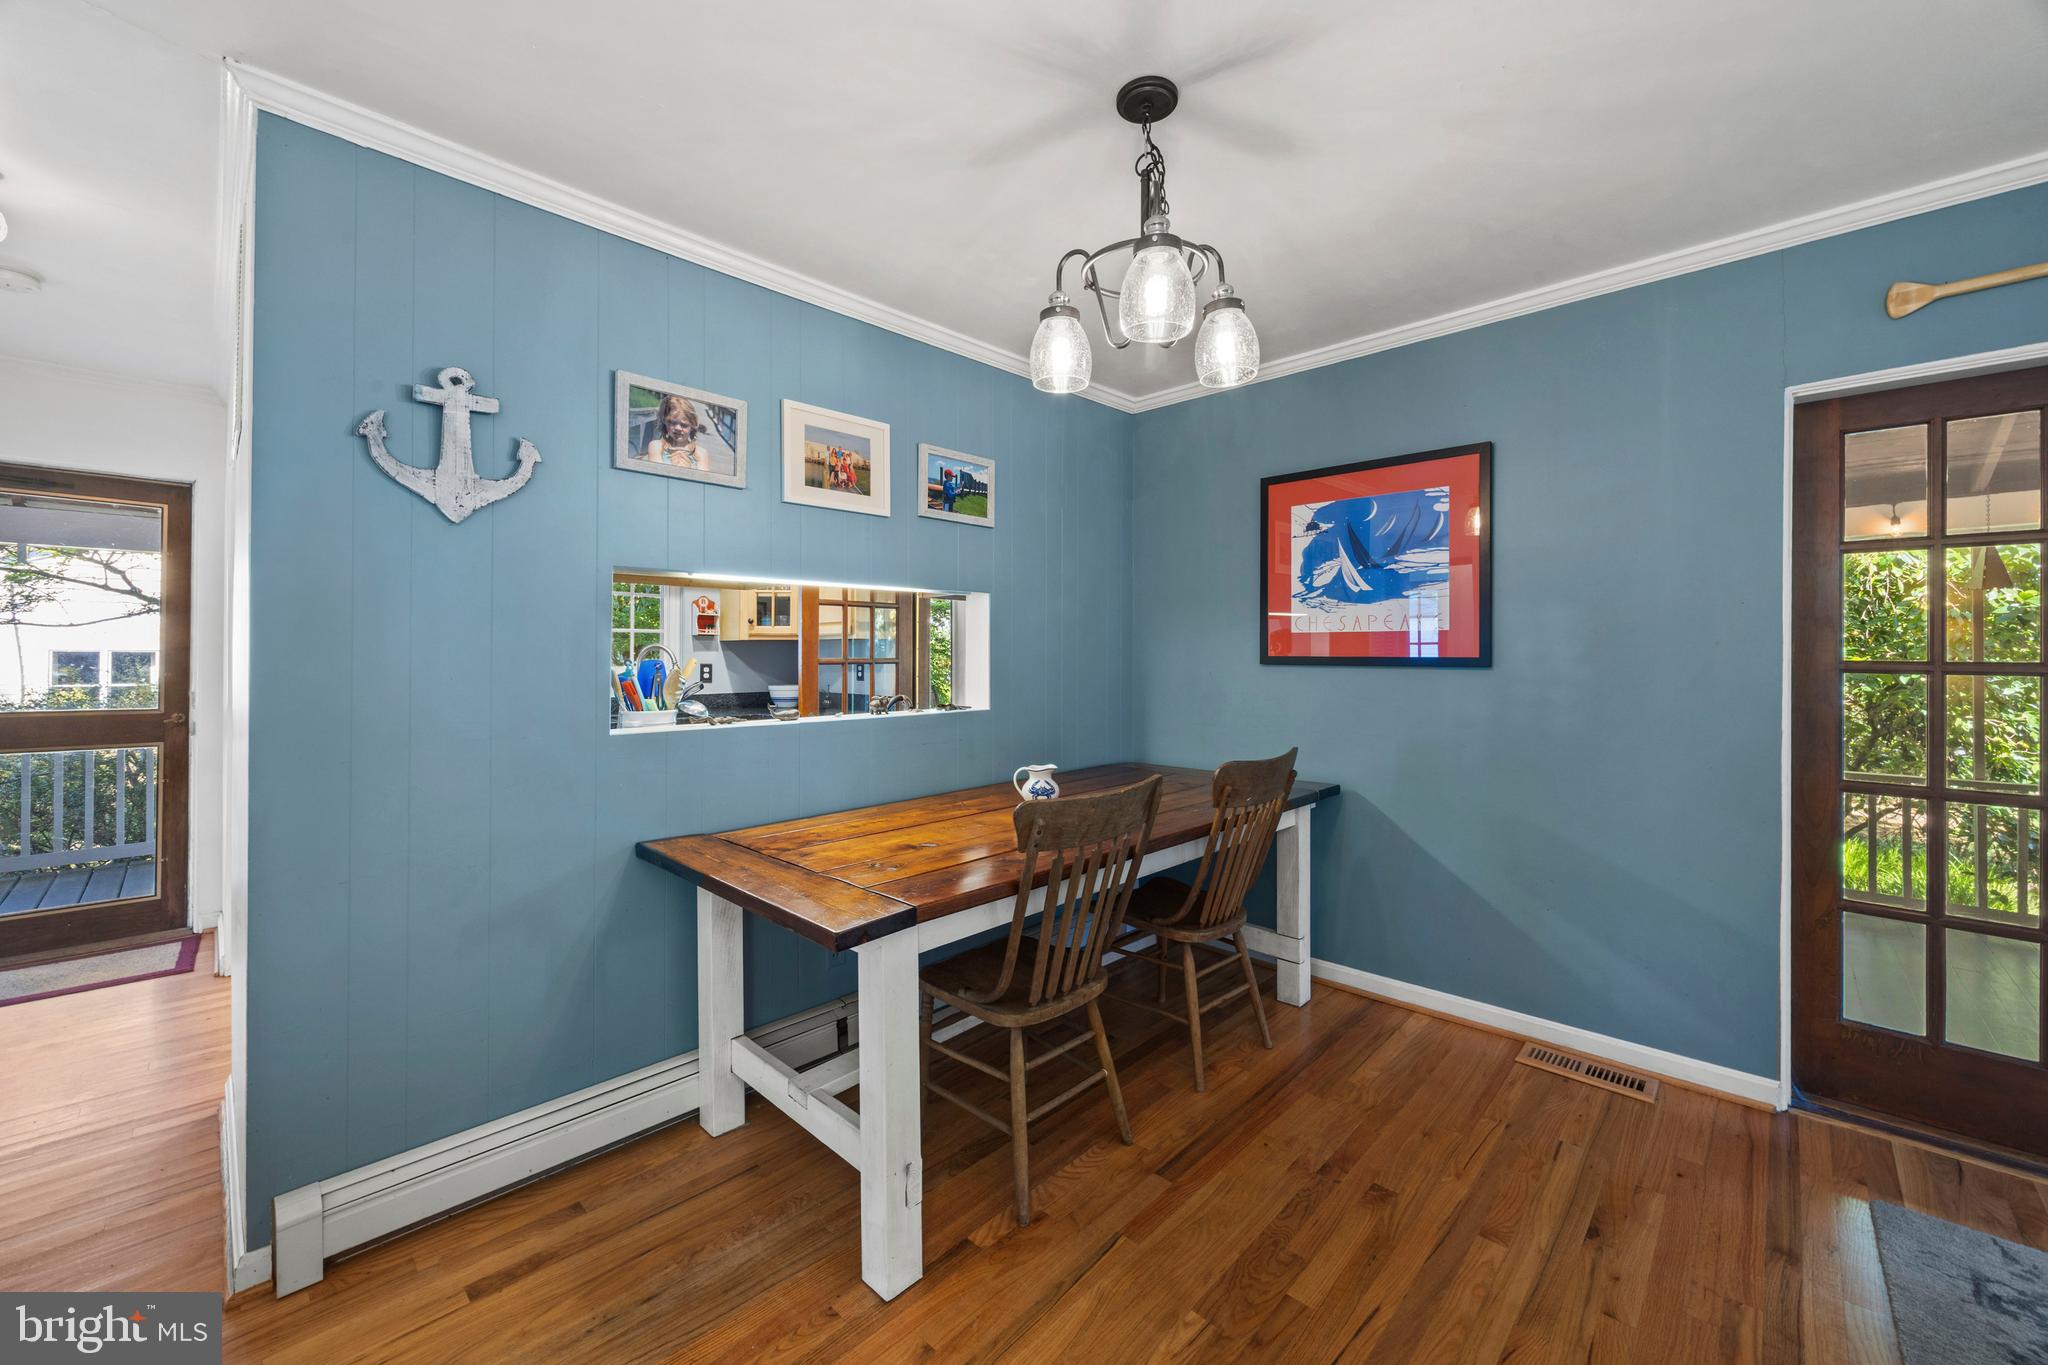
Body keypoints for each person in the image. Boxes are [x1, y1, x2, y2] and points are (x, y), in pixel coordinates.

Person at [641, 395, 705, 468]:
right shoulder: (656, 446)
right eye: (672, 422)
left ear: (692, 426)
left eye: (684, 425)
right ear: (665, 421)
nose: (678, 428)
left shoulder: (700, 453)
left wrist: (688, 469)